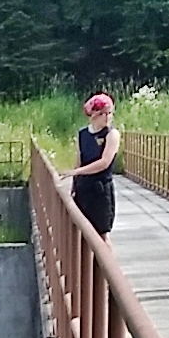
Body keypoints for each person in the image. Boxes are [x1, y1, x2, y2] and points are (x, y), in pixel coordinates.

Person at [71, 93, 121, 237]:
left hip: (100, 190)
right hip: (83, 188)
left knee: (102, 235)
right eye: (102, 113)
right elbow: (79, 159)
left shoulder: (111, 134)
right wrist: (74, 183)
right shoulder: (83, 134)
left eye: (109, 113)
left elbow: (104, 162)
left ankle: (106, 259)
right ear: (93, 115)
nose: (107, 117)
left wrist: (77, 172)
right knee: (82, 233)